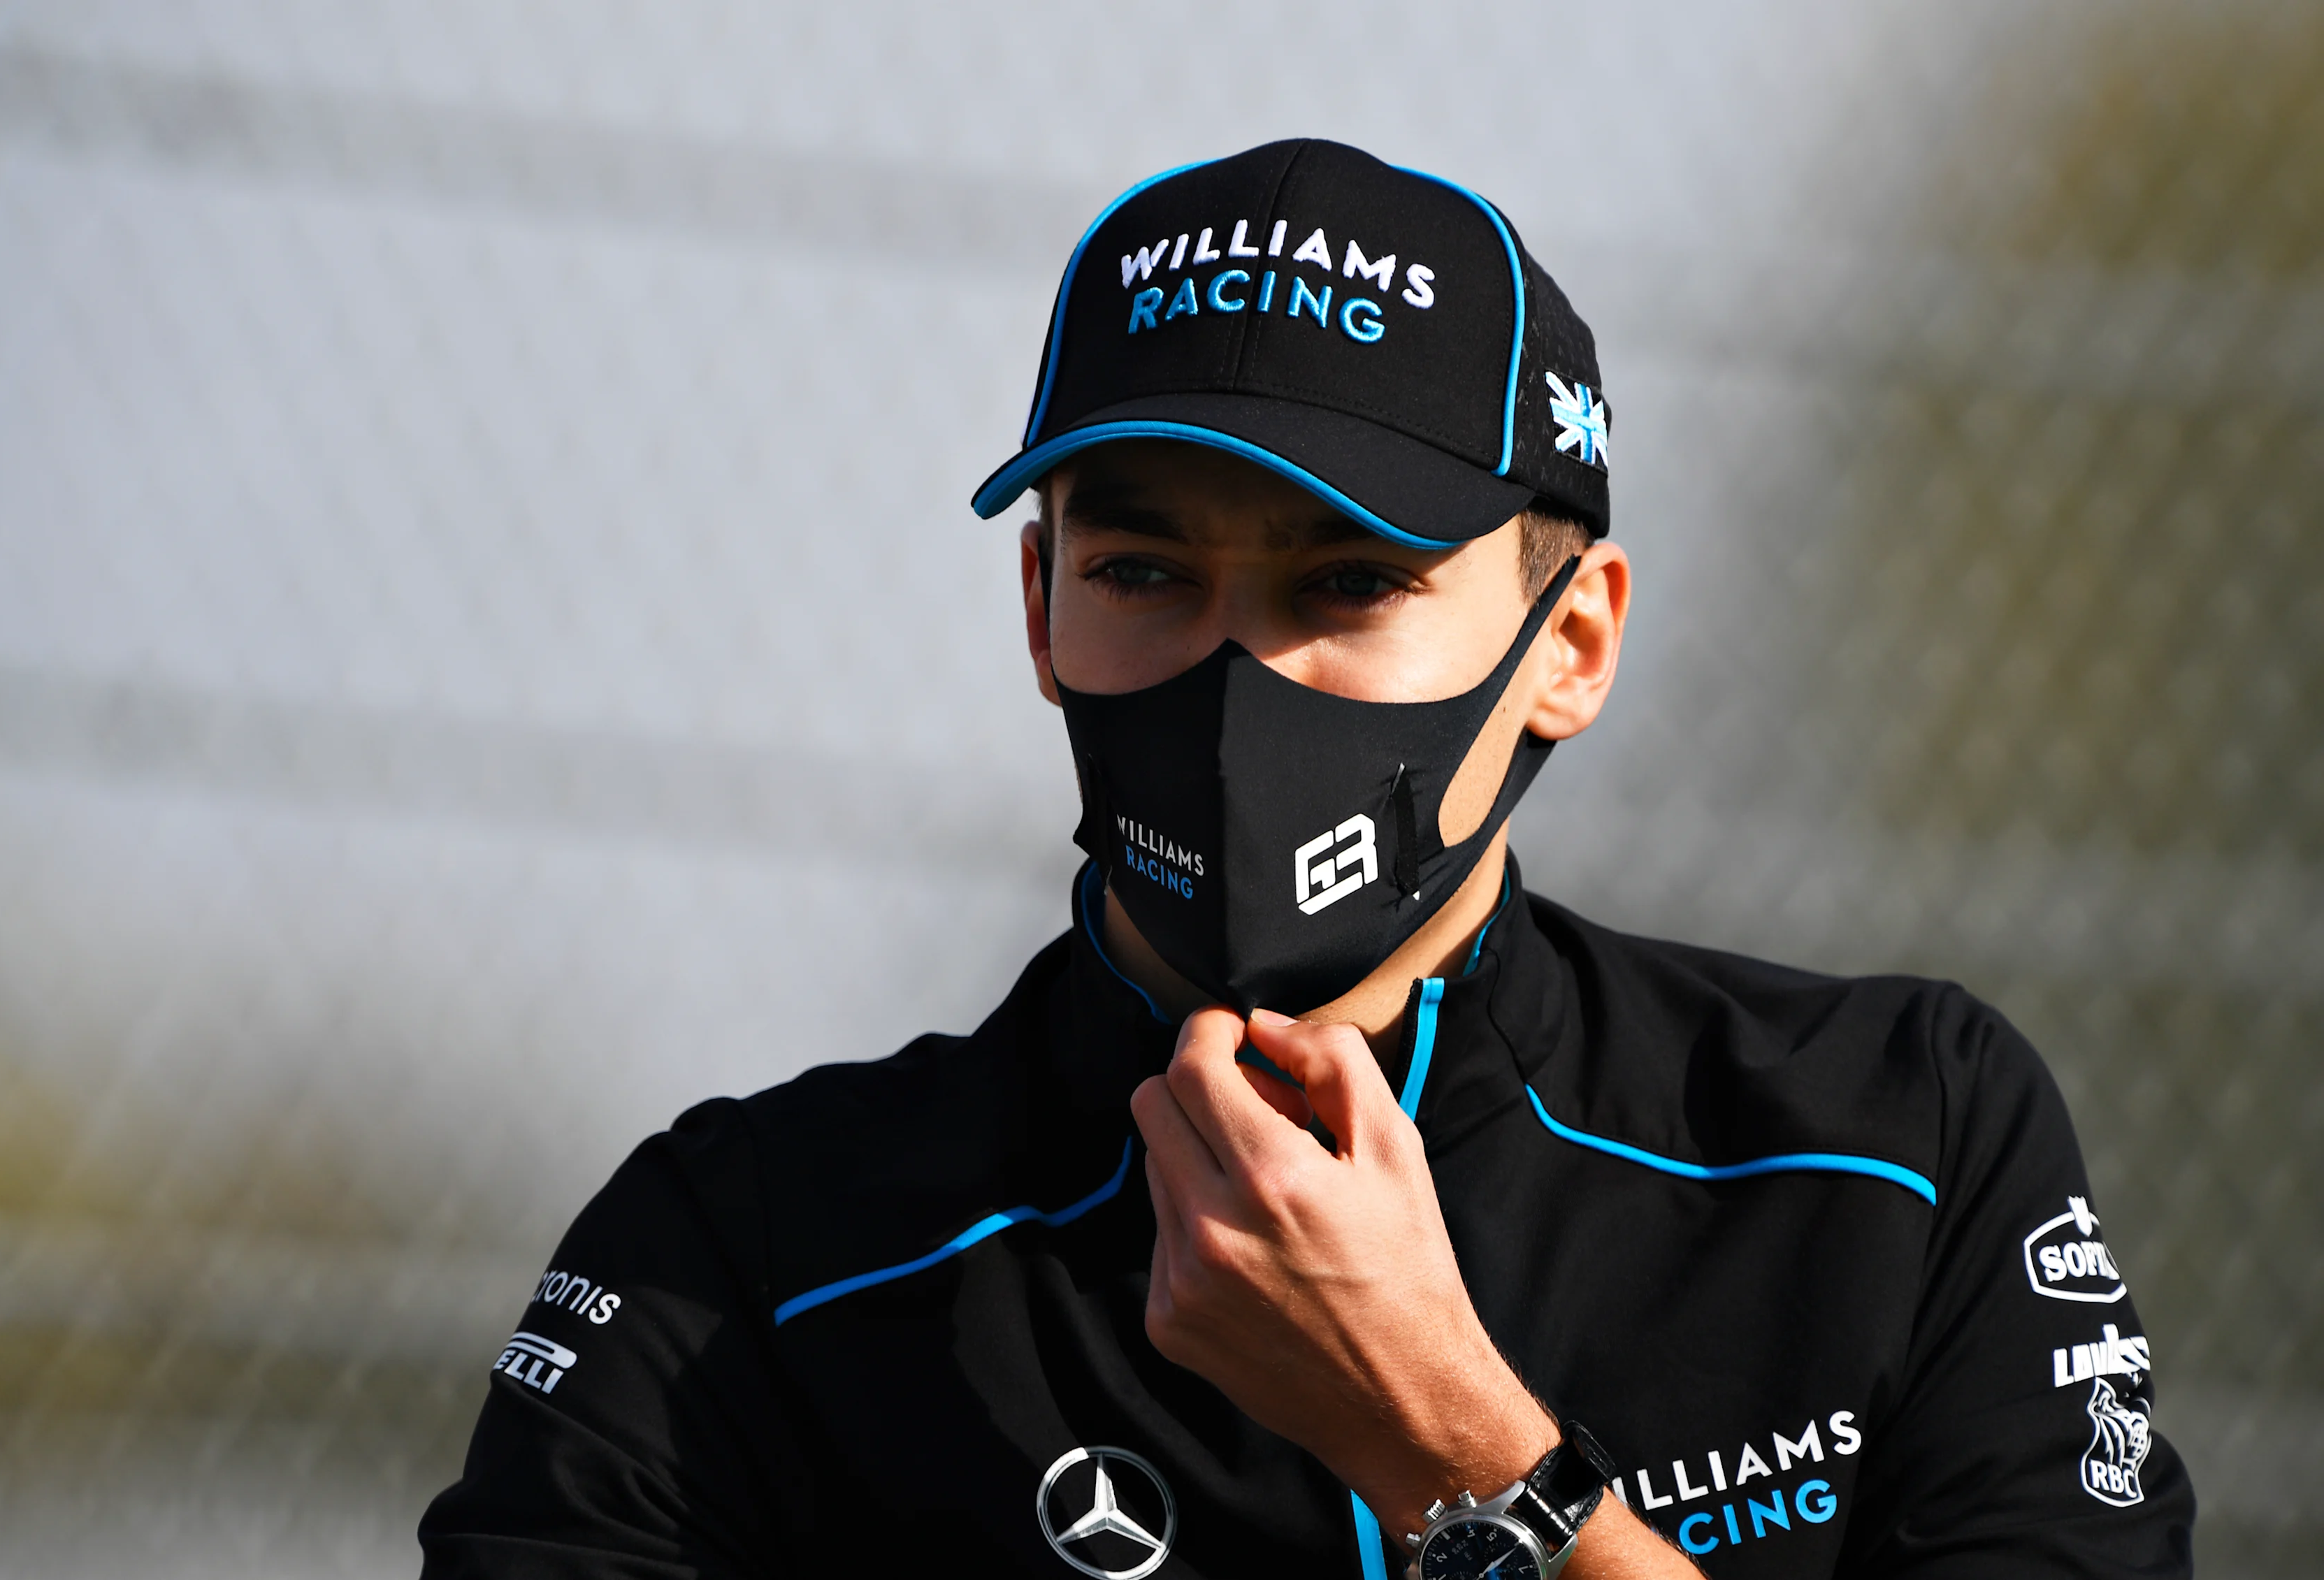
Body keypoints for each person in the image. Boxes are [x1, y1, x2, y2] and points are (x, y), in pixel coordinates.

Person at [419, 139, 2193, 1579]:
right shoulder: (741, 1263)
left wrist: (1458, 1456)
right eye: (1143, 573)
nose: (1237, 680)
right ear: (1039, 609)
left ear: (1571, 640)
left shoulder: (1889, 1149)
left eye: (1350, 583)